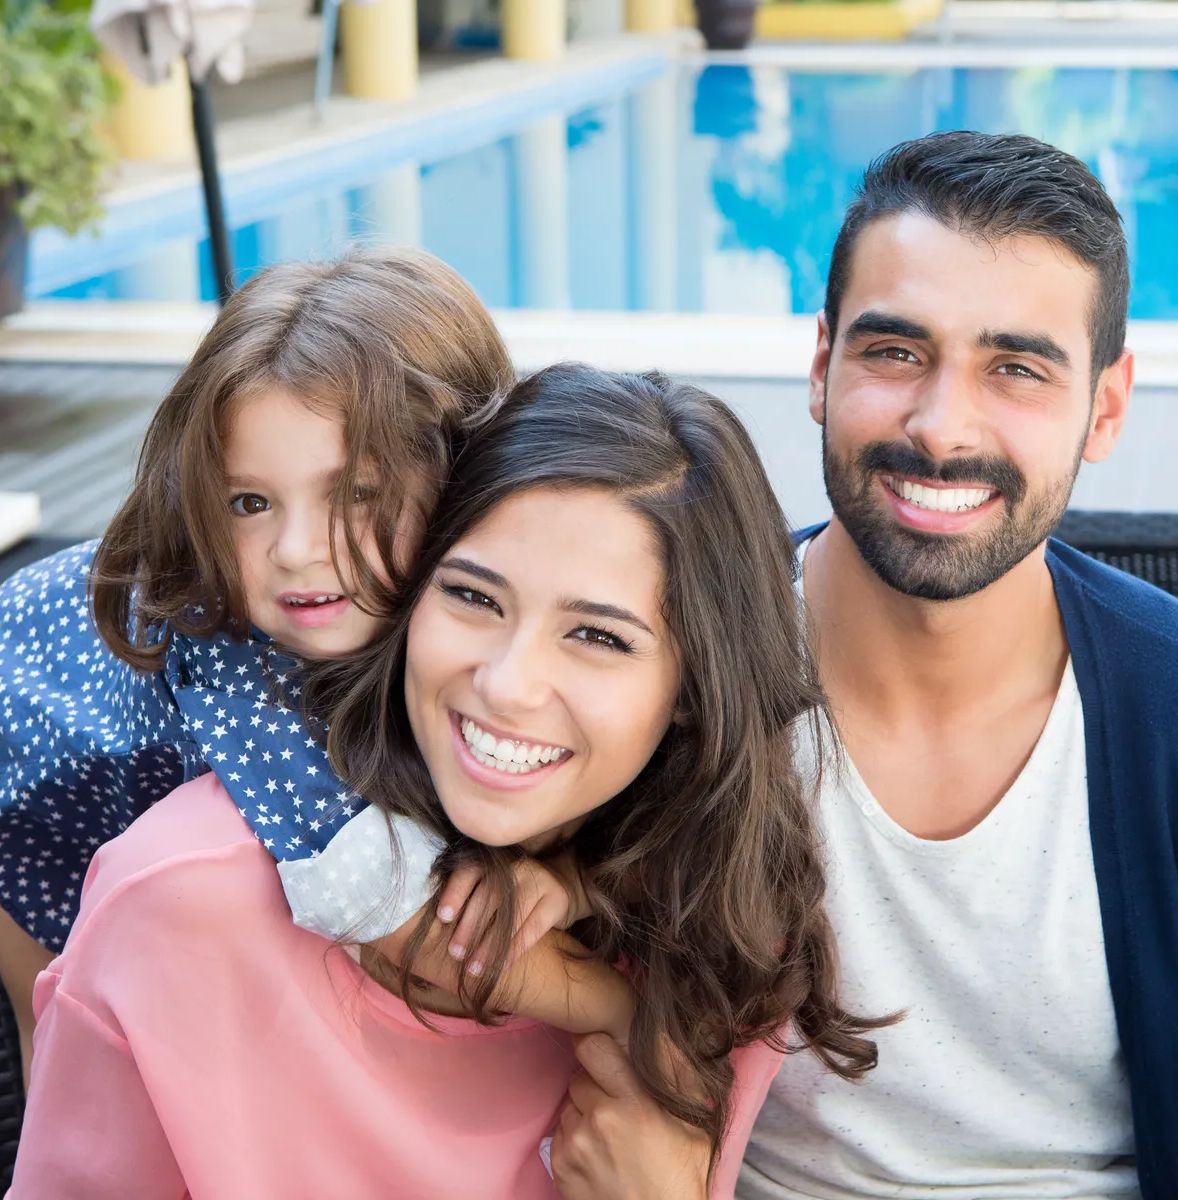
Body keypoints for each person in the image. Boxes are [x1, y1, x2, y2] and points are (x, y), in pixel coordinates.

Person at [11, 363, 880, 1198]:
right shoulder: (184, 898)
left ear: (696, 691)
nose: (506, 683)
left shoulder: (722, 929)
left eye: (598, 637)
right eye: (473, 597)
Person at [548, 131, 1178, 1200]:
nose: (942, 428)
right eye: (895, 352)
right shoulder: (676, 675)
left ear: (1109, 406)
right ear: (821, 365)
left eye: (1017, 369)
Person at [0, 249, 578, 1086]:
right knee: (66, 1019)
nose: (298, 551)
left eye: (357, 494)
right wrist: (610, 1009)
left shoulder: (478, 586)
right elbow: (382, 912)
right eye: (249, 503)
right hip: (31, 787)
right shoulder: (234, 655)